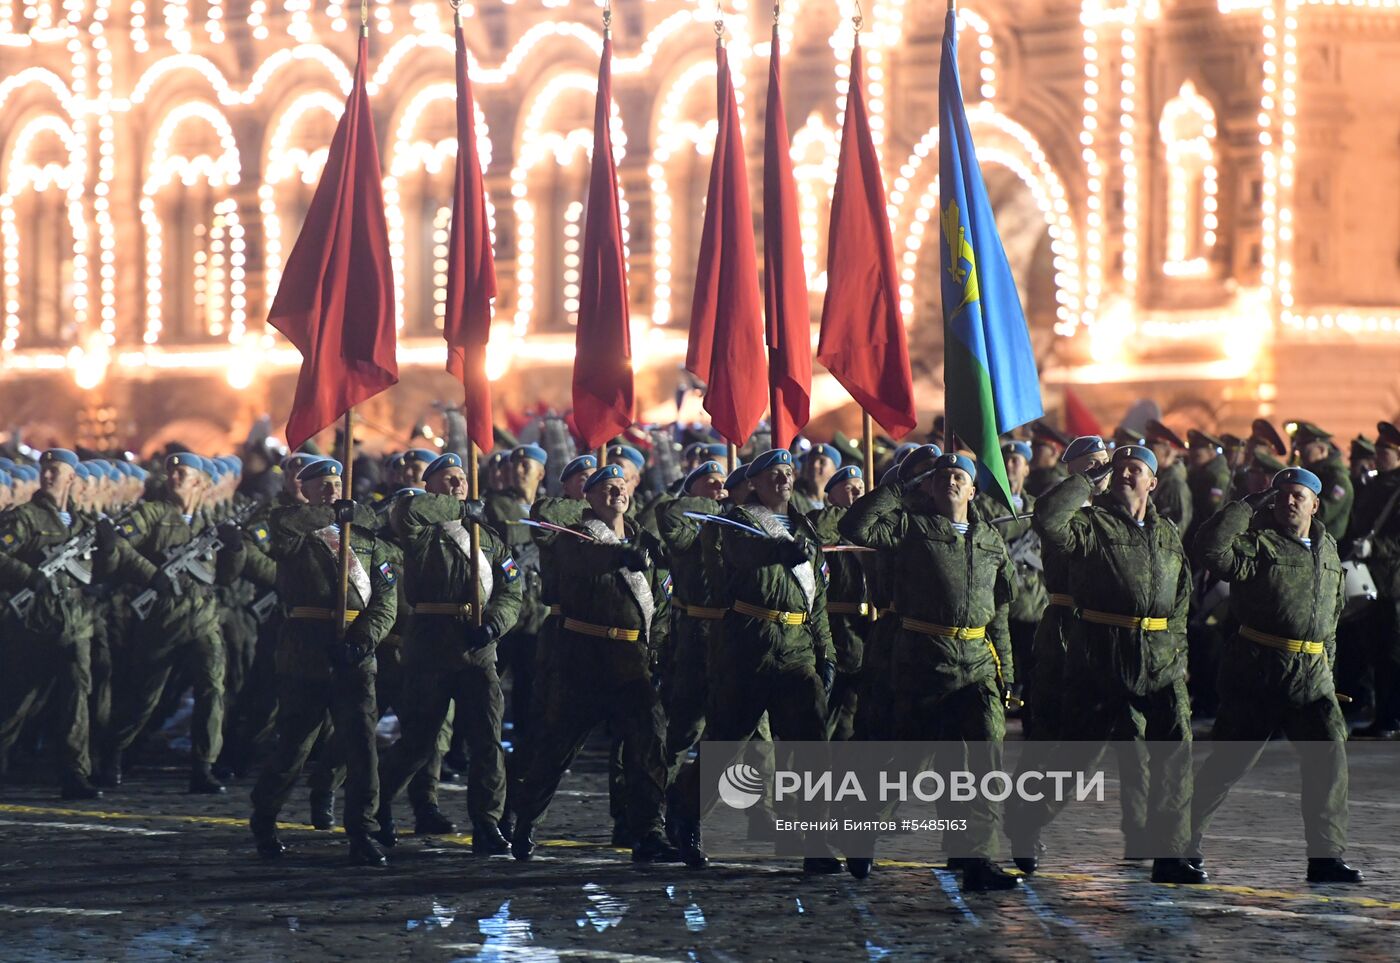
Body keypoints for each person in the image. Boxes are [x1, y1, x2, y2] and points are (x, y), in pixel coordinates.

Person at [1006, 444, 1203, 885]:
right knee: (1076, 757)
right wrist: (1086, 482)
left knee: (1173, 753)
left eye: (1137, 469)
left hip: (1159, 661)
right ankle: (1025, 821)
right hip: (1101, 657)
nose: (1126, 475)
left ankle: (1168, 854)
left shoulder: (1166, 533)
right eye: (1121, 469)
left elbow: (1181, 598)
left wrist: (1179, 655)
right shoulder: (1090, 524)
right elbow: (1048, 519)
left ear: (1153, 481)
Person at [842, 450, 1019, 890]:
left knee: (984, 762)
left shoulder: (989, 540)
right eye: (943, 477)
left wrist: (1008, 671)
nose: (951, 483)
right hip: (924, 658)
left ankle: (978, 859)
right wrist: (902, 485)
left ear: (973, 490)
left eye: (960, 477)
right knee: (908, 761)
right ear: (930, 486)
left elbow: (998, 613)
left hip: (978, 663)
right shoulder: (912, 529)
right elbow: (856, 526)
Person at [1189, 467, 1361, 884]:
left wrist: (1329, 673)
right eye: (1281, 495)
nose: (1288, 502)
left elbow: (1331, 616)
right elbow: (1210, 549)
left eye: (1298, 496)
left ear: (1315, 504)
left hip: (1313, 676)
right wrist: (1246, 506)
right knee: (1227, 765)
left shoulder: (1328, 549)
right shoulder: (1257, 544)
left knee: (1328, 763)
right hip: (1259, 672)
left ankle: (1325, 858)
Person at [670, 448, 835, 873]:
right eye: (772, 475)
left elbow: (816, 601)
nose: (782, 480)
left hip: (797, 645)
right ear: (754, 483)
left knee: (812, 746)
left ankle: (817, 844)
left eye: (787, 473)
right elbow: (741, 556)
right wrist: (779, 552)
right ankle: (685, 812)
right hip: (747, 645)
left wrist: (826, 652)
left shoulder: (806, 529)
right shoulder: (736, 523)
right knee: (726, 743)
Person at [508, 464, 683, 865]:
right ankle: (524, 819)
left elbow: (660, 603)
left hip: (630, 661)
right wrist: (621, 554)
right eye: (605, 488)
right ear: (587, 496)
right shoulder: (574, 536)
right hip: (582, 659)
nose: (615, 494)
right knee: (557, 747)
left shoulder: (642, 538)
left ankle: (648, 831)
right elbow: (581, 559)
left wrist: (655, 651)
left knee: (649, 742)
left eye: (621, 488)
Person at [248, 458, 398, 866]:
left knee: (361, 746)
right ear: (306, 491)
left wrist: (363, 639)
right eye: (322, 486)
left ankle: (362, 831)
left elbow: (386, 597)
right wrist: (331, 515)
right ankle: (264, 816)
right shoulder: (292, 528)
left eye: (337, 484)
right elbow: (279, 530)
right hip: (305, 654)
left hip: (355, 651)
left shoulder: (365, 536)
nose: (332, 491)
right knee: (295, 746)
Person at [376, 453, 523, 854]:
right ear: (431, 487)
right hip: (431, 645)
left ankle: (487, 823)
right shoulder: (420, 530)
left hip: (478, 647)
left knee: (487, 740)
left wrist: (495, 624)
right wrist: (458, 508)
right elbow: (405, 510)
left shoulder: (487, 537)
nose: (458, 484)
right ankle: (376, 807)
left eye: (461, 478)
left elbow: (513, 589)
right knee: (419, 741)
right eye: (447, 479)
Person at [97, 452, 229, 794]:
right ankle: (112, 754)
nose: (173, 478)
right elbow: (120, 544)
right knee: (144, 697)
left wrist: (237, 548)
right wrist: (151, 574)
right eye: (171, 473)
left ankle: (203, 766)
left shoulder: (212, 518)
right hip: (163, 620)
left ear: (200, 481)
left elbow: (226, 572)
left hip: (203, 616)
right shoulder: (153, 513)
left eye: (182, 473)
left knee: (212, 689)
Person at [0, 449, 100, 799]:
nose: (47, 476)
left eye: (54, 470)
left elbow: (99, 569)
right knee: (18, 701)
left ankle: (75, 774)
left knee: (76, 700)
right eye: (44, 470)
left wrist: (112, 548)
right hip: (35, 623)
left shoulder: (84, 523)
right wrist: (28, 576)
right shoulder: (24, 518)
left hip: (76, 623)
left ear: (71, 476)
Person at [655, 460, 730, 780]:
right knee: (687, 725)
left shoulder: (737, 519)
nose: (717, 487)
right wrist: (714, 505)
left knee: (753, 732)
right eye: (709, 482)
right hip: (697, 632)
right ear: (692, 489)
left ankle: (764, 814)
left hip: (736, 632)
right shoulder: (682, 517)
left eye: (722, 482)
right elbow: (669, 517)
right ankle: (659, 795)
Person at [810, 464, 870, 742]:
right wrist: (848, 514)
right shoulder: (825, 520)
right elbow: (818, 531)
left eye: (861, 487)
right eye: (849, 488)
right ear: (831, 497)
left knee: (857, 711)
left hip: (869, 629)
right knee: (826, 710)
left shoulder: (873, 525)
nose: (858, 491)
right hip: (836, 629)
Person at [1349, 421, 1400, 738]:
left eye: (1386, 450)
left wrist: (1374, 546)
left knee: (1392, 652)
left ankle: (1391, 718)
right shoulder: (1375, 484)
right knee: (1375, 649)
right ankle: (1381, 714)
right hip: (1370, 579)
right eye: (1379, 448)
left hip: (1392, 581)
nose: (1379, 453)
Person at [1293, 422, 1353, 540]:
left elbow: (1320, 514)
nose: (1301, 457)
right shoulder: (1315, 475)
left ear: (1321, 450)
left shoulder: (1338, 480)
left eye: (1304, 452)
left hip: (1327, 547)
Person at [1145, 420, 1192, 532]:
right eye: (1147, 442)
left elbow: (1176, 530)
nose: (1147, 447)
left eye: (1153, 443)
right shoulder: (1160, 477)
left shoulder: (1175, 484)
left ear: (1168, 450)